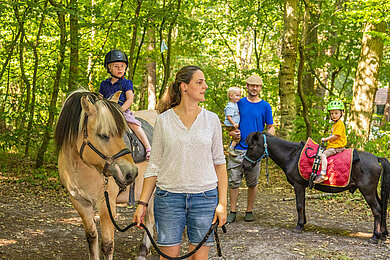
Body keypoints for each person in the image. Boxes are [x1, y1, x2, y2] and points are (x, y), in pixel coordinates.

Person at [133, 66, 227, 260]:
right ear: (184, 86)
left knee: (198, 257)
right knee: (169, 256)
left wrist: (222, 204)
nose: (205, 86)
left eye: (204, 82)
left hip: (205, 198)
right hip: (169, 198)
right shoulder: (164, 120)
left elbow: (219, 163)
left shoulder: (212, 120)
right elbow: (154, 165)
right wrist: (142, 204)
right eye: (199, 82)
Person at [227, 75, 275, 223]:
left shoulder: (265, 106)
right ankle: (232, 211)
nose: (254, 88)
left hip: (255, 152)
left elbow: (271, 127)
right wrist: (231, 132)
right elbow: (229, 122)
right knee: (233, 181)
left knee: (252, 182)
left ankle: (249, 211)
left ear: (260, 88)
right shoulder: (238, 103)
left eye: (257, 86)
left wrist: (266, 139)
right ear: (247, 86)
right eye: (252, 85)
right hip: (237, 149)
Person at [99, 49, 151, 159]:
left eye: (122, 66)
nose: (120, 69)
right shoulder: (104, 84)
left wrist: (120, 110)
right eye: (116, 66)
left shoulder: (126, 83)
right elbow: (100, 98)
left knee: (134, 125)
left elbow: (130, 100)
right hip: (106, 112)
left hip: (121, 110)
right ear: (109, 68)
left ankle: (148, 148)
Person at [313, 100, 347, 184]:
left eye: (336, 113)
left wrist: (326, 139)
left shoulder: (339, 124)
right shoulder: (335, 124)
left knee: (323, 155)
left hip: (337, 147)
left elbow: (336, 136)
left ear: (341, 113)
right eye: (332, 113)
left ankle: (323, 174)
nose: (333, 115)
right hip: (333, 145)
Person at [223, 87, 241, 157]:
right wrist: (234, 123)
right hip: (231, 124)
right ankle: (231, 148)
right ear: (230, 96)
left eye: (239, 96)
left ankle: (231, 146)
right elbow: (229, 116)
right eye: (236, 95)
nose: (238, 97)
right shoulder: (230, 106)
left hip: (233, 124)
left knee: (236, 135)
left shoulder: (234, 104)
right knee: (237, 136)